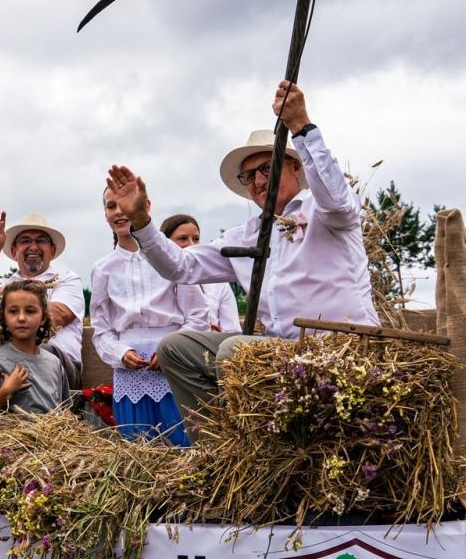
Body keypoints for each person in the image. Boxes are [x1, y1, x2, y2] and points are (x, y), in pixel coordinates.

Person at [106, 80, 376, 422]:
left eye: (268, 167)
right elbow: (180, 268)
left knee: (237, 350)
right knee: (175, 347)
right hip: (281, 354)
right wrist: (142, 221)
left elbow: (337, 198)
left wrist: (302, 128)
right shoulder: (246, 237)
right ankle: (217, 446)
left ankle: (248, 442)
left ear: (295, 167)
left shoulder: (326, 213)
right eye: (250, 176)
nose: (260, 181)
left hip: (341, 348)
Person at [90, 188, 192, 445]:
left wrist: (172, 349)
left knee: (182, 447)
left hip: (173, 368)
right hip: (129, 373)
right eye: (111, 206)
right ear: (105, 215)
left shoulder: (172, 256)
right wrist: (120, 353)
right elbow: (101, 329)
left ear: (145, 205)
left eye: (125, 204)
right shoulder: (103, 269)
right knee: (139, 453)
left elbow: (197, 315)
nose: (119, 212)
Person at [0, 211, 84, 386]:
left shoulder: (67, 279)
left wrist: (2, 306)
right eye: (25, 241)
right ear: (14, 251)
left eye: (41, 241)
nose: (33, 246)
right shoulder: (5, 284)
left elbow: (57, 316)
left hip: (61, 370)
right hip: (8, 362)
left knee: (39, 351)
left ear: (52, 250)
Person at [0, 279, 70, 415]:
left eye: (30, 311)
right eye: (13, 311)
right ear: (4, 318)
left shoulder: (54, 363)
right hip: (13, 436)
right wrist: (4, 392)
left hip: (50, 435)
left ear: (43, 318)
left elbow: (65, 409)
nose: (21, 318)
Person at [159, 213, 242, 332]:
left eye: (196, 239)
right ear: (166, 243)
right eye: (182, 239)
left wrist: (217, 336)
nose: (191, 244)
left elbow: (232, 329)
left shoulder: (219, 284)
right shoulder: (160, 283)